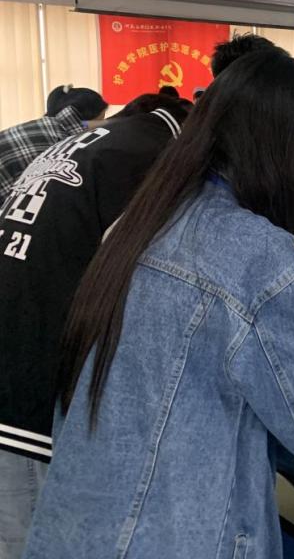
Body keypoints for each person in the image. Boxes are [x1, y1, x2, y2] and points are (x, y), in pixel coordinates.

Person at [22, 50, 294, 559]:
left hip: (77, 528)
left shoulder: (140, 221)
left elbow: (240, 391)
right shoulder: (252, 251)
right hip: (167, 537)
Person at [0, 94, 190, 556]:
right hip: (22, 394)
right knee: (31, 538)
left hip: (12, 346)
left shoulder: (94, 143)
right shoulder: (150, 159)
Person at [0, 86, 108, 203]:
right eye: (100, 120)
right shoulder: (58, 144)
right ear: (83, 118)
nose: (100, 126)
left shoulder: (45, 126)